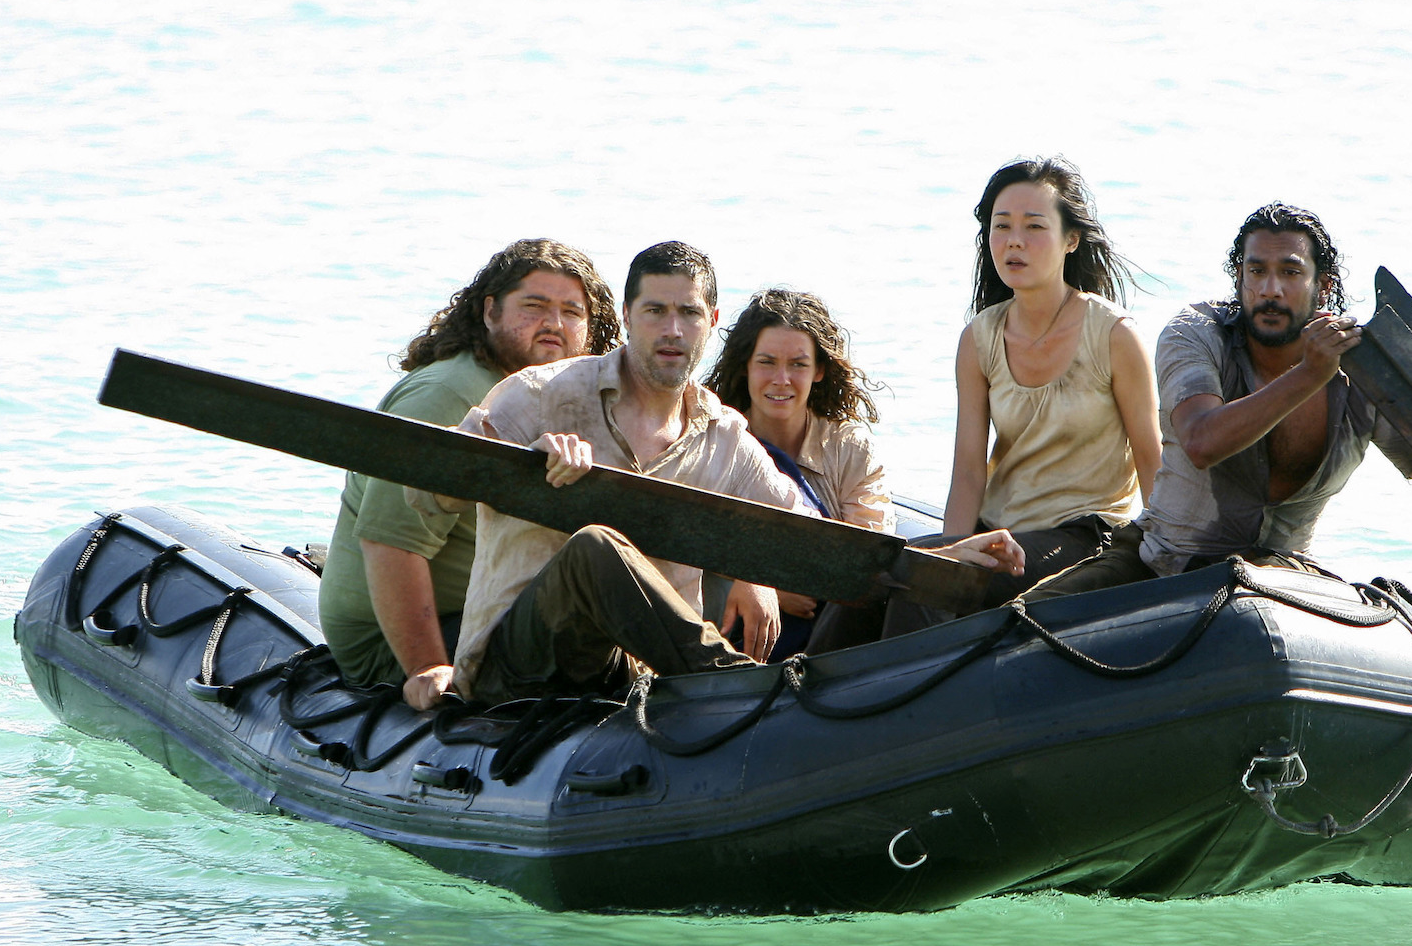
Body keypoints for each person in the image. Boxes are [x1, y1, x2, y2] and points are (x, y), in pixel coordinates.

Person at [410, 242, 1025, 706]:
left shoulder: (723, 434)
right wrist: (524, 464)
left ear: (711, 321)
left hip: (633, 677)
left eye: (687, 313)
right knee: (595, 546)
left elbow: (816, 538)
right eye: (654, 311)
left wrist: (944, 553)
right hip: (515, 668)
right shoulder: (541, 395)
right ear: (626, 316)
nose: (671, 330)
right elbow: (428, 490)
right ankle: (736, 686)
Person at [1026, 202, 1412, 600]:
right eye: (1256, 271)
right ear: (1239, 278)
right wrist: (1309, 373)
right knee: (1026, 622)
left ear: (1322, 287)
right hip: (1161, 561)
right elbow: (1201, 441)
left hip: (1281, 579)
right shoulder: (1197, 335)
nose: (1269, 290)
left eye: (1289, 273)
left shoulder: (1364, 376)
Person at [317, 238, 619, 711]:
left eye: (572, 312)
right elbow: (390, 542)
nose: (554, 325)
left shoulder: (561, 395)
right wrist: (426, 668)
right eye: (534, 306)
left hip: (499, 606)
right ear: (490, 311)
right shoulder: (448, 396)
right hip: (409, 636)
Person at [917, 157, 1159, 623]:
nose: (1014, 241)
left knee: (960, 588)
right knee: (907, 573)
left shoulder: (1113, 335)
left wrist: (1176, 565)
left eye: (1033, 226)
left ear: (1071, 240)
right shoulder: (979, 338)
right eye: (1001, 226)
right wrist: (953, 549)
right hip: (1000, 529)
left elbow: (1152, 462)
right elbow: (968, 470)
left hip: (1087, 533)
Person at [702, 288, 892, 657]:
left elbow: (870, 553)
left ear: (819, 370)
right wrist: (763, 582)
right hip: (725, 625)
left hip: (828, 629)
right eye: (767, 362)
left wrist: (791, 581)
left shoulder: (850, 448)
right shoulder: (713, 440)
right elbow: (685, 539)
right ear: (746, 366)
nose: (781, 379)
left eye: (798, 365)